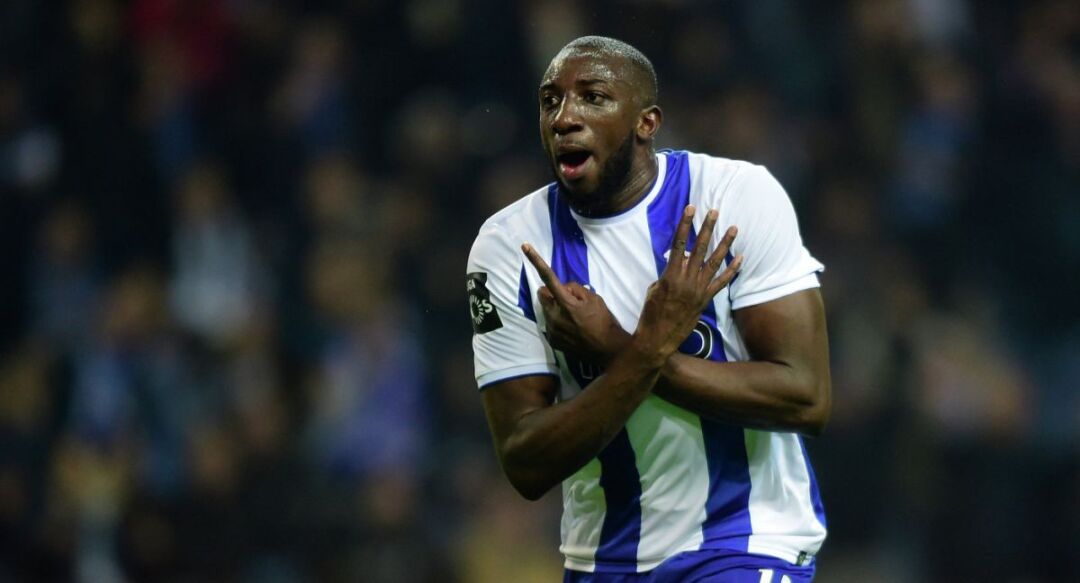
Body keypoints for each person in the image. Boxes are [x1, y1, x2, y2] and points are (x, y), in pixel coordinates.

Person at [466, 36, 830, 582]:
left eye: (593, 97)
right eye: (550, 101)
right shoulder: (506, 247)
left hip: (745, 540)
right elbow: (525, 463)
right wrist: (642, 351)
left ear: (646, 123)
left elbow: (805, 397)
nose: (564, 118)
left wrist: (615, 348)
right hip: (601, 560)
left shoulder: (734, 197)